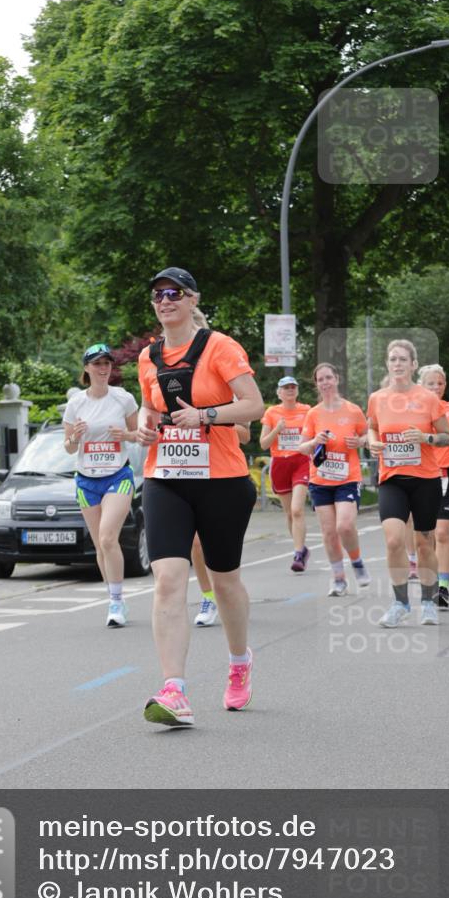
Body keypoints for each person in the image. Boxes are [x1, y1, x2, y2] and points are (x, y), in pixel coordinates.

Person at [136, 267, 264, 727]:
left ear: (192, 299)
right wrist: (145, 423)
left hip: (222, 479)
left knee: (224, 578)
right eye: (157, 295)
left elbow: (254, 405)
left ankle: (239, 662)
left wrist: (207, 415)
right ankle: (175, 689)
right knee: (168, 578)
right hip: (165, 475)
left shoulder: (220, 347)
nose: (163, 300)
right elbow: (150, 405)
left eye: (172, 293)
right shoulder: (149, 356)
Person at [367, 340, 449, 627]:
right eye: (393, 359)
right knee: (393, 540)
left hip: (425, 478)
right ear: (387, 364)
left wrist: (426, 438)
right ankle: (400, 603)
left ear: (414, 365)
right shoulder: (377, 398)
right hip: (391, 478)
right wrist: (372, 442)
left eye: (404, 359)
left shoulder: (428, 399)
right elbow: (371, 426)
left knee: (424, 542)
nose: (398, 364)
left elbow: (446, 437)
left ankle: (428, 601)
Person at [63, 343, 139, 627]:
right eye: (97, 364)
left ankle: (117, 603)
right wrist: (76, 437)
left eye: (107, 363)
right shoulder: (76, 404)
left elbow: (138, 435)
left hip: (117, 476)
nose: (103, 368)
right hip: (86, 480)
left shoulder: (123, 399)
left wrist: (125, 435)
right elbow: (69, 448)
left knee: (109, 538)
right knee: (100, 545)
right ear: (86, 369)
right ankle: (113, 598)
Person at [296, 363, 370, 596]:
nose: (325, 382)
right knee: (329, 532)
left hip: (347, 477)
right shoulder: (314, 413)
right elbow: (302, 447)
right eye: (320, 379)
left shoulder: (352, 410)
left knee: (345, 525)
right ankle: (339, 578)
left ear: (337, 379)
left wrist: (359, 442)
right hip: (320, 480)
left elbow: (368, 435)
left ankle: (357, 561)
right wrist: (314, 441)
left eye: (329, 377)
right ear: (316, 384)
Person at [417, 365, 449, 609]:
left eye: (440, 383)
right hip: (423, 477)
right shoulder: (414, 411)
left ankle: (443, 588)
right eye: (430, 383)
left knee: (443, 532)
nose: (436, 387)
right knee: (426, 537)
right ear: (421, 386)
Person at [192, 422, 251, 626]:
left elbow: (245, 436)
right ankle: (208, 596)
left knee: (223, 548)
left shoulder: (234, 393)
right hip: (188, 472)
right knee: (196, 543)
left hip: (225, 476)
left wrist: (209, 418)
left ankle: (228, 594)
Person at [260, 376, 311, 572]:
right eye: (285, 388)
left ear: (297, 391)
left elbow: (314, 434)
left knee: (298, 509)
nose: (289, 390)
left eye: (293, 387)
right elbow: (264, 443)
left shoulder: (307, 411)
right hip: (280, 463)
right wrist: (277, 430)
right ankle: (301, 548)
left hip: (301, 461)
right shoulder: (272, 413)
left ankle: (298, 554)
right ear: (279, 393)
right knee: (290, 513)